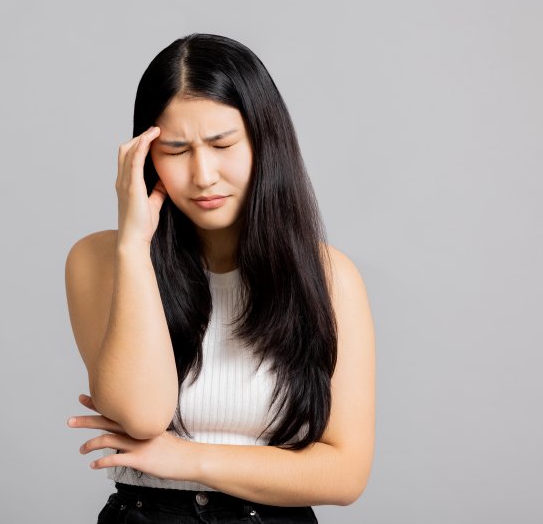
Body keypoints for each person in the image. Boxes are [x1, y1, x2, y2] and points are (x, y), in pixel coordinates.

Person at [64, 33, 375, 524]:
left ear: (264, 142)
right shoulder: (101, 259)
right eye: (176, 149)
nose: (203, 174)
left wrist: (188, 460)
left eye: (222, 144)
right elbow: (143, 415)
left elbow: (344, 473)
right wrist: (133, 246)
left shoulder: (330, 278)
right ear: (145, 159)